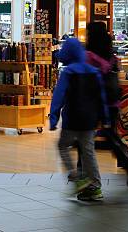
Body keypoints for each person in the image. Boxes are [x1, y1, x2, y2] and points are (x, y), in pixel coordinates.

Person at [50, 38, 109, 201]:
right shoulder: (94, 72)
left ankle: (77, 178)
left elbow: (59, 96)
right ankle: (96, 187)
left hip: (72, 119)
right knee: (88, 152)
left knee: (63, 146)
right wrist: (105, 118)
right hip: (90, 120)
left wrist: (53, 118)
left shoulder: (68, 72)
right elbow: (101, 97)